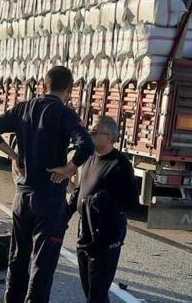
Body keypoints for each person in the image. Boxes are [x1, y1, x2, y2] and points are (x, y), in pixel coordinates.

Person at [0, 66, 94, 303]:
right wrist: (68, 169)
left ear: (44, 86)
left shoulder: (24, 108)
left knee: (18, 258)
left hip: (22, 197)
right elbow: (86, 145)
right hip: (49, 198)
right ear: (69, 90)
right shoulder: (65, 114)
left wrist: (14, 156)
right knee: (42, 265)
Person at [73, 115, 137, 303]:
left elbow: (130, 202)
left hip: (106, 236)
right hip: (85, 233)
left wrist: (101, 203)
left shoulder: (120, 165)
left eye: (94, 131)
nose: (89, 134)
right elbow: (80, 190)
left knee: (98, 293)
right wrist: (62, 216)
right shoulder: (90, 158)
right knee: (89, 290)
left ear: (109, 136)